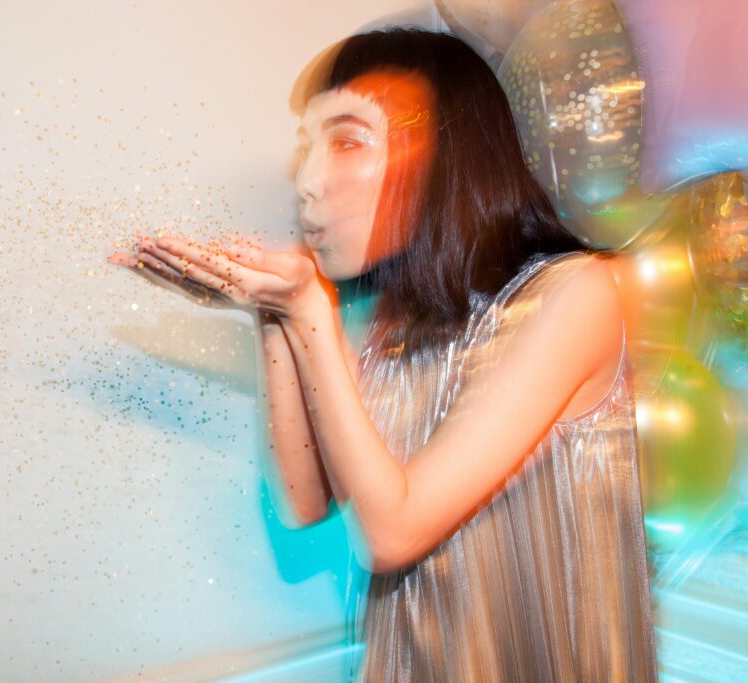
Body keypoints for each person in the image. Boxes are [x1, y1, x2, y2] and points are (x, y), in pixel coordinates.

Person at [109, 27, 657, 682]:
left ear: (447, 155)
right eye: (308, 147)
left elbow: (392, 532)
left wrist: (309, 311)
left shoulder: (575, 293)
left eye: (346, 141)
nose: (308, 182)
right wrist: (276, 309)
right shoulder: (396, 324)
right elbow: (304, 501)